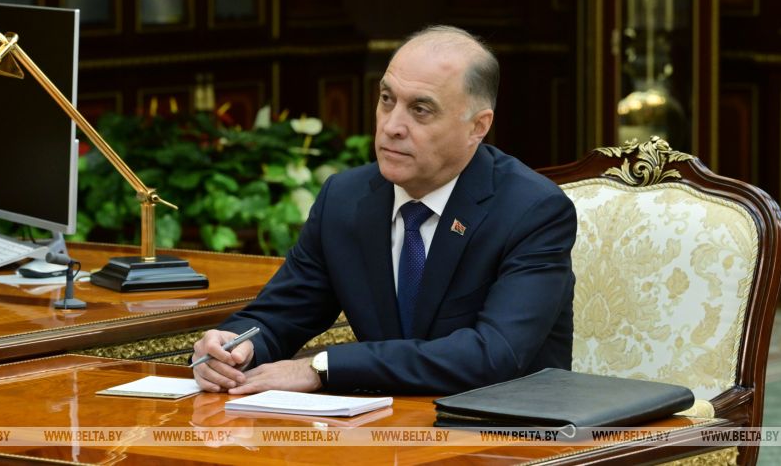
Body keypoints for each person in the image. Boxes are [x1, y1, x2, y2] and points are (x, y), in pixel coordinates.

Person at [192, 25, 577, 395]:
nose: (392, 126)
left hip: (502, 429)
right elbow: (280, 315)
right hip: (380, 426)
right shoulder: (345, 198)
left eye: (421, 110)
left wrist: (324, 368)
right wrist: (233, 347)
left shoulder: (532, 211)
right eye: (387, 100)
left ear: (478, 126)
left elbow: (493, 355)